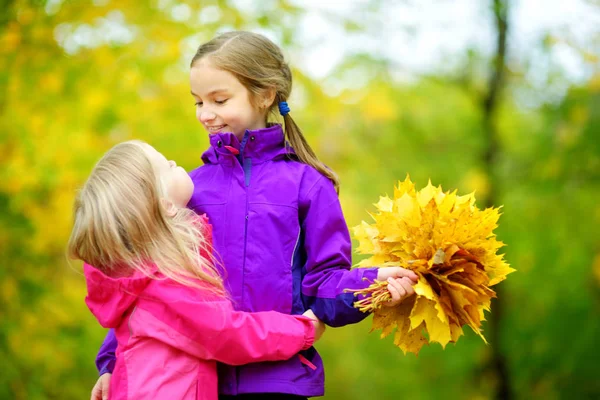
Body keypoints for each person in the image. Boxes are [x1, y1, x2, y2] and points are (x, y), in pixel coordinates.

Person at [92, 31, 418, 400]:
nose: (206, 114)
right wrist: (111, 362)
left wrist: (370, 285)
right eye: (198, 102)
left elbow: (324, 282)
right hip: (195, 381)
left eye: (219, 99)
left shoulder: (308, 186)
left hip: (277, 380)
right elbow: (147, 282)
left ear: (265, 95)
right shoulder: (187, 189)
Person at [69, 141, 325, 400]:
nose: (173, 163)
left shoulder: (141, 275)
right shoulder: (167, 284)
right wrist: (301, 330)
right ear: (166, 206)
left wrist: (108, 365)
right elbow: (226, 334)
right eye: (165, 166)